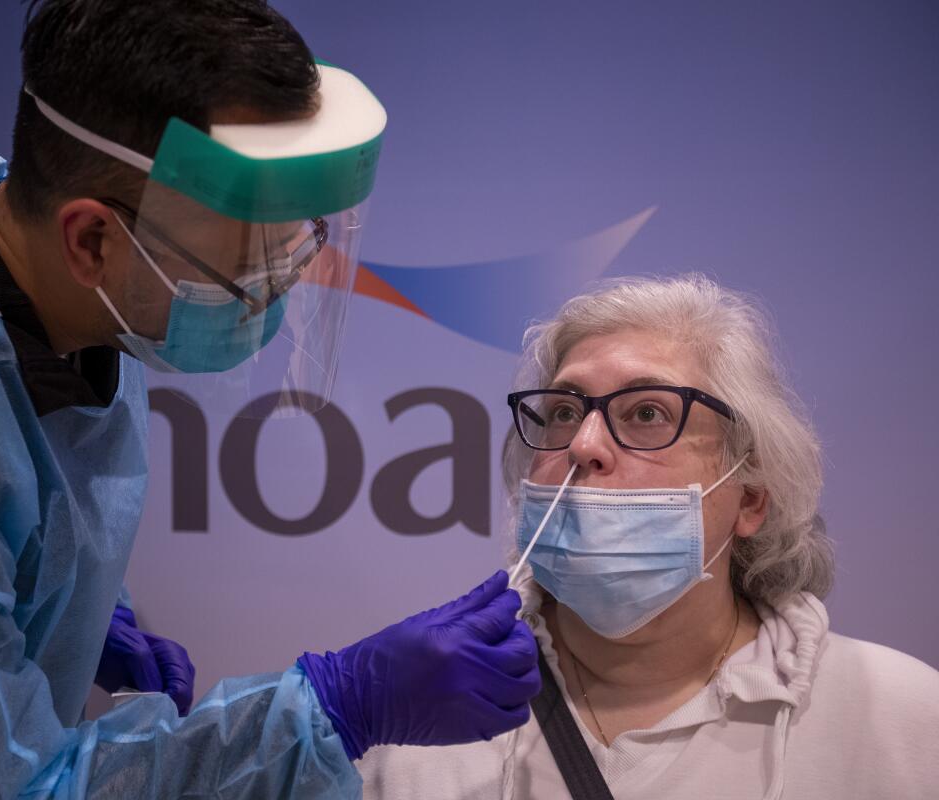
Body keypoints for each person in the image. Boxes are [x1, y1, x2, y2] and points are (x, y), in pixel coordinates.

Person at [0, 2, 540, 797]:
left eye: (293, 247)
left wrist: (66, 603)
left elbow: (10, 477)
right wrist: (331, 710)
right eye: (244, 271)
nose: (271, 291)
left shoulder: (64, 278)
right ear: (89, 240)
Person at [357, 275, 939, 799]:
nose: (583, 445)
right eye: (563, 410)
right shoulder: (420, 712)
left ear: (752, 499)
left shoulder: (902, 718)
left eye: (646, 414)